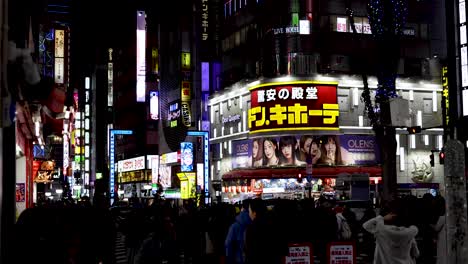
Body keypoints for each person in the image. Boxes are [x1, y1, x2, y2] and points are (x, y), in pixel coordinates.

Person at [363, 198, 419, 264]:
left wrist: (382, 218)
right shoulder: (409, 233)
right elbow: (416, 254)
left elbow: (366, 225)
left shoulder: (380, 230)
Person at [244, 199, 286, 264]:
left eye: (249, 211)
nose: (249, 214)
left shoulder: (252, 227)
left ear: (254, 213)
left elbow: (250, 251)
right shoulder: (276, 223)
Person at [225, 199, 252, 264]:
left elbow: (228, 244)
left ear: (242, 208)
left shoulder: (235, 226)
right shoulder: (256, 222)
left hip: (239, 259)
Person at [432, 195, 447, 264]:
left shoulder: (441, 217)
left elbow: (437, 228)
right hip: (447, 237)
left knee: (441, 253)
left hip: (442, 237)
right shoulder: (447, 215)